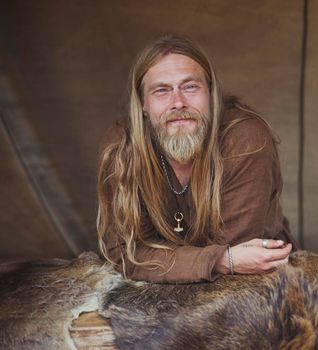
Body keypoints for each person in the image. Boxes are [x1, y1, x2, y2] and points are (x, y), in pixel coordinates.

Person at [97, 35, 299, 283]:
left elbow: (241, 251)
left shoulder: (245, 139)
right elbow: (125, 252)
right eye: (161, 90)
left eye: (190, 87)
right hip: (166, 290)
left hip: (257, 284)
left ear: (211, 95)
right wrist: (221, 260)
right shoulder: (122, 147)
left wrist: (175, 261)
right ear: (143, 104)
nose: (178, 102)